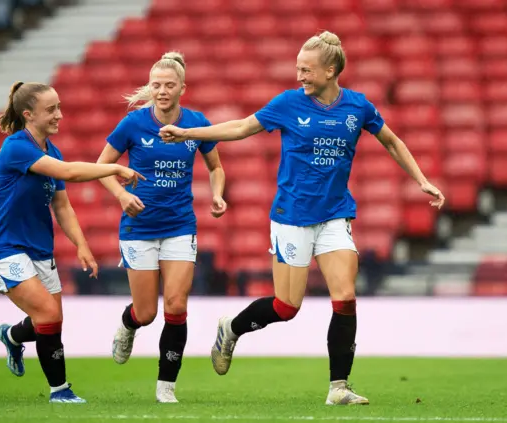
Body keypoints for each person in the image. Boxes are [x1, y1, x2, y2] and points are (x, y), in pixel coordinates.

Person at [159, 31, 445, 405]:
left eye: (306, 70)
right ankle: (231, 329)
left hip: (334, 215)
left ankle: (338, 387)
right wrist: (187, 133)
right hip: (292, 216)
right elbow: (243, 127)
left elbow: (391, 140)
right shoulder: (288, 103)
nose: (299, 76)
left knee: (344, 296)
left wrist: (421, 179)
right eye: (298, 69)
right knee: (286, 307)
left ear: (330, 71)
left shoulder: (358, 107)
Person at [0, 81, 144, 404]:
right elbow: (69, 171)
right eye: (51, 109)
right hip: (3, 246)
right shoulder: (16, 147)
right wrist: (110, 168)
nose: (60, 115)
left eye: (59, 107)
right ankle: (60, 391)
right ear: (28, 115)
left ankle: (11, 335)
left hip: (39, 248)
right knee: (48, 315)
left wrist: (82, 245)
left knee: (51, 318)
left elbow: (62, 205)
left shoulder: (51, 150)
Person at [96, 52, 227, 403]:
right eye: (156, 85)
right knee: (147, 312)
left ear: (183, 88)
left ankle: (166, 386)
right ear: (149, 87)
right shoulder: (133, 124)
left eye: (169, 85)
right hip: (138, 228)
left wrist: (217, 193)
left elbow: (216, 166)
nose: (162, 91)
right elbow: (102, 166)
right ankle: (128, 324)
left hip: (180, 226)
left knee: (175, 304)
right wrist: (122, 195)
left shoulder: (195, 123)